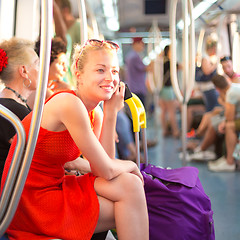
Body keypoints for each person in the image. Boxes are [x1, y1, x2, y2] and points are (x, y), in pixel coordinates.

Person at [1, 39, 149, 239]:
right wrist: (130, 164)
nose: (110, 78)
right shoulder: (68, 103)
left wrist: (111, 114)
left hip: (56, 184)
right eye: (100, 70)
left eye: (114, 71)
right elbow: (105, 168)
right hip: (30, 199)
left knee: (130, 185)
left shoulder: (96, 113)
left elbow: (102, 169)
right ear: (79, 75)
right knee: (128, 201)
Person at [0, 37, 39, 179]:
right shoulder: (17, 112)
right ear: (23, 71)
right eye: (37, 64)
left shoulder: (11, 104)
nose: (41, 70)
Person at [27, 37, 72, 109]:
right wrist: (70, 92)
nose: (65, 69)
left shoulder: (39, 87)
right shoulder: (44, 92)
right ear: (47, 63)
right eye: (61, 64)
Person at [208, 74, 240, 172]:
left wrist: (224, 122)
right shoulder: (234, 86)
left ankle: (229, 162)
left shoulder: (231, 93)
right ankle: (226, 158)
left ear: (217, 89)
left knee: (229, 126)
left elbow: (229, 117)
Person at [159, 45, 180, 138]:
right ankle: (175, 131)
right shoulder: (171, 63)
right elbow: (182, 66)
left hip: (162, 89)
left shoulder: (161, 62)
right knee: (172, 111)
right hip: (168, 88)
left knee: (163, 111)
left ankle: (165, 130)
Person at [125, 37, 152, 106]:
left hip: (133, 87)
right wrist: (154, 63)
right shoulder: (135, 57)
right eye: (141, 44)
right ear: (136, 44)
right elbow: (146, 68)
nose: (142, 46)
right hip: (137, 89)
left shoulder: (129, 55)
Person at [195, 36, 219, 112]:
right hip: (208, 87)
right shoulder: (205, 58)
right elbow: (206, 71)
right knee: (212, 108)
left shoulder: (207, 57)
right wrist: (215, 65)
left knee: (212, 106)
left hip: (208, 87)